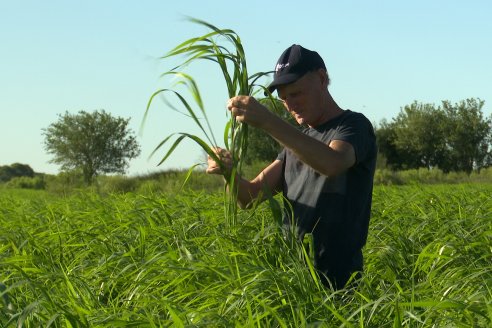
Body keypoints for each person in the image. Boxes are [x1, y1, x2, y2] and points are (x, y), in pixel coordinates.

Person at [206, 44, 377, 289]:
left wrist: (267, 121)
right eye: (284, 98)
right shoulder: (294, 144)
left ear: (321, 79)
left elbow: (332, 162)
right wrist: (227, 172)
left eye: (296, 94)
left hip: (339, 280)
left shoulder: (353, 126)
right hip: (292, 277)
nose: (290, 104)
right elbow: (249, 198)